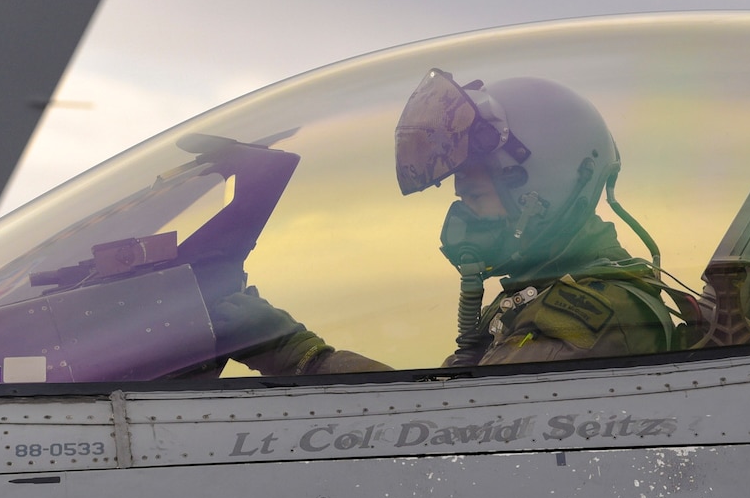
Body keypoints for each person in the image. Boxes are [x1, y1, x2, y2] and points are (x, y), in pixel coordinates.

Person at [211, 70, 684, 373]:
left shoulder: (593, 318)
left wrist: (294, 351)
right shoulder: (544, 293)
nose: (462, 215)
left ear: (540, 191)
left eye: (475, 195)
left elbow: (448, 426)